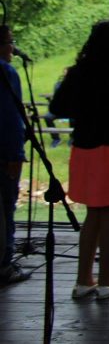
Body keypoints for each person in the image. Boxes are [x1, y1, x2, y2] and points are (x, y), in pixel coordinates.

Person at [49, 21, 109, 300]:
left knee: (93, 213)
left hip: (84, 150)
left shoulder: (80, 73)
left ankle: (83, 280)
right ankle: (106, 279)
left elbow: (57, 107)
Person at [0, 25, 28, 285]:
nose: (13, 47)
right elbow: (10, 118)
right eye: (10, 42)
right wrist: (16, 155)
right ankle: (4, 264)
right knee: (6, 209)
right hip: (3, 153)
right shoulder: (7, 72)